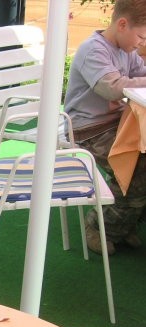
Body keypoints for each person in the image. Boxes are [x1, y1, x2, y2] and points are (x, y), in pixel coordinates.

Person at [64, 0, 146, 256]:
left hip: (115, 122)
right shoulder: (93, 50)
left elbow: (140, 73)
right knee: (135, 172)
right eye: (141, 36)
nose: (141, 44)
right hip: (89, 129)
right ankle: (99, 226)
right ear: (122, 24)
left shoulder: (128, 48)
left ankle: (125, 221)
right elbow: (112, 86)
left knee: (140, 165)